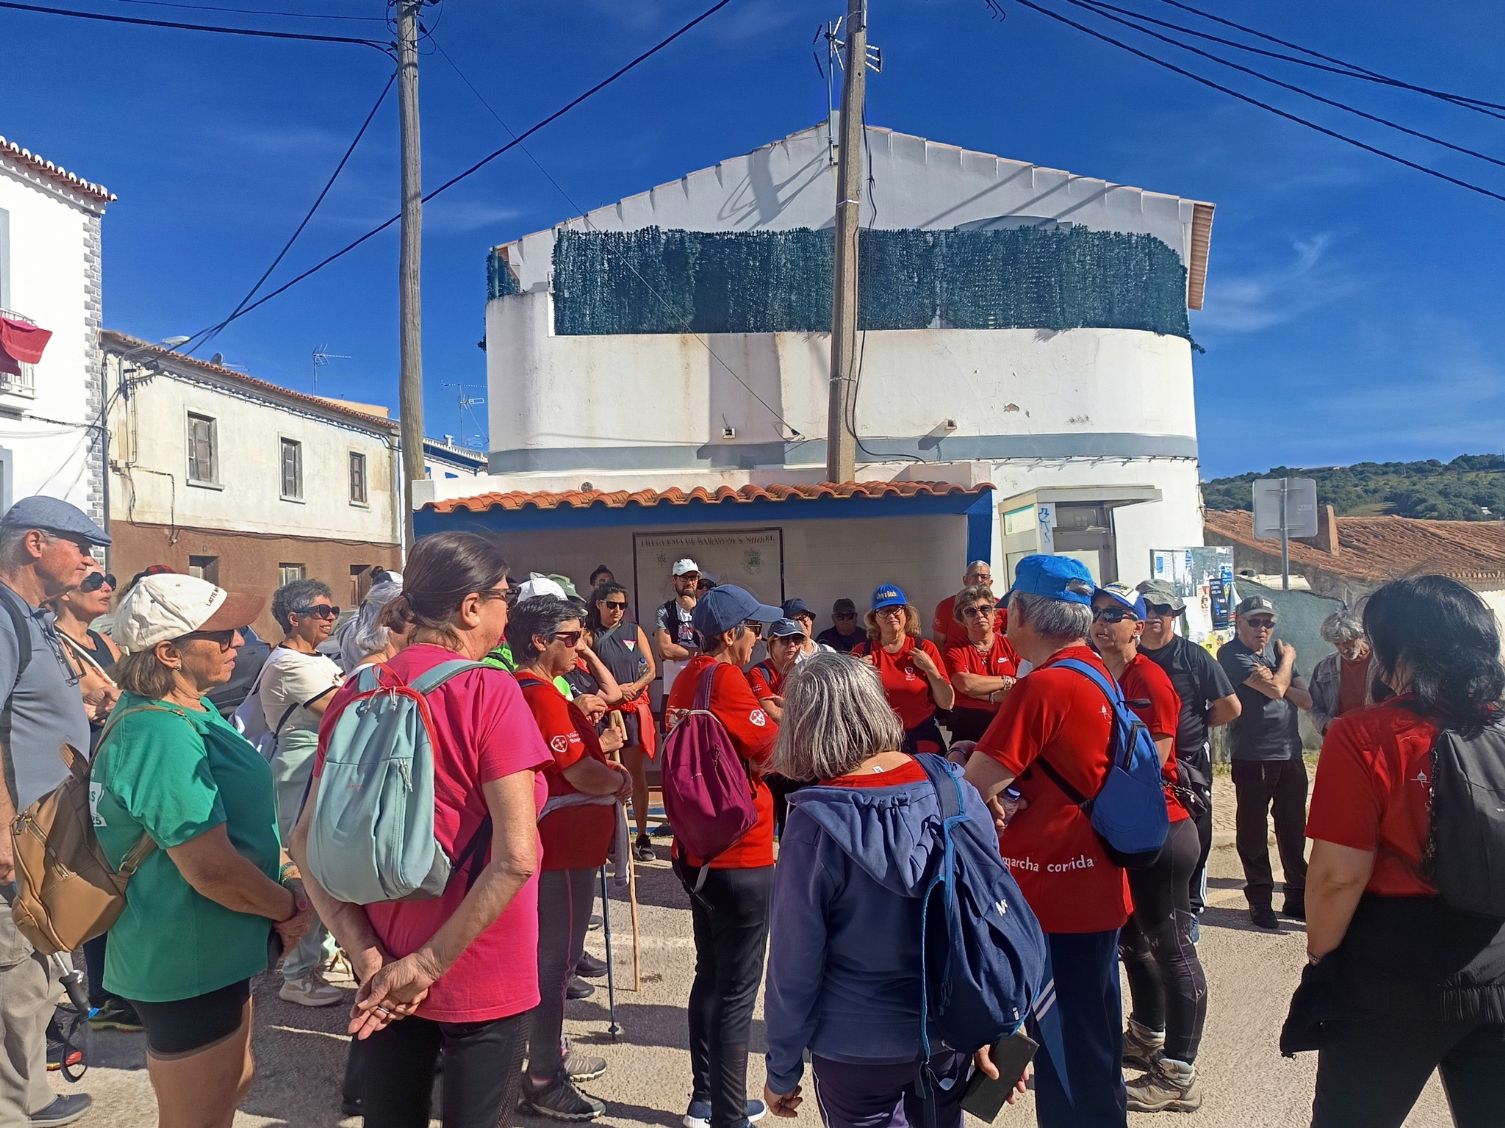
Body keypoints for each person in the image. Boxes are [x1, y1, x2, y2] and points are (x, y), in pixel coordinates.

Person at [291, 532, 550, 1128]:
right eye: (503, 597)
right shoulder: (489, 690)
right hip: (482, 964)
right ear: (470, 607)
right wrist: (428, 967)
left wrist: (365, 954)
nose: (507, 612)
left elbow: (304, 841)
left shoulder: (355, 689)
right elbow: (516, 857)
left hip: (382, 962)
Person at [763, 652, 1031, 1128]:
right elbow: (993, 914)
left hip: (855, 1048)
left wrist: (782, 1070)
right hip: (953, 1031)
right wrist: (1005, 1024)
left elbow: (794, 964)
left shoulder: (814, 824)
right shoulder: (956, 790)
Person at [93, 573, 313, 1128]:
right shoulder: (159, 732)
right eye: (223, 633)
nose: (240, 641)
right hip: (183, 951)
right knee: (197, 1114)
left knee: (230, 1082)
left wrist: (283, 874)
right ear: (169, 652)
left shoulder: (192, 708)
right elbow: (210, 868)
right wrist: (289, 910)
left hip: (216, 945)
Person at [1302, 575, 1505, 1128]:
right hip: (1496, 953)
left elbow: (1337, 877)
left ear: (1401, 653)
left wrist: (1320, 953)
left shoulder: (1364, 735)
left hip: (1391, 971)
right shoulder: (1499, 728)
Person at [964, 554, 1131, 1128]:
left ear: (1022, 612)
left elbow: (974, 786)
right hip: (1096, 876)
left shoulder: (1043, 686)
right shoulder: (1096, 671)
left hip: (1054, 888)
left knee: (1065, 1055)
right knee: (1093, 1042)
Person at [0, 497, 107, 1128]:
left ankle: (30, 1098)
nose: (92, 562)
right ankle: (12, 1111)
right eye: (81, 546)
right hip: (15, 836)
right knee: (13, 974)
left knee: (34, 973)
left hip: (41, 835)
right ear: (35, 544)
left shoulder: (32, 617)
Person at [664, 584, 782, 1128]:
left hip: (697, 848)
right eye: (754, 629)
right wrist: (774, 715)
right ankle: (730, 1116)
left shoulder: (687, 675)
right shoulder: (727, 677)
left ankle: (705, 1099)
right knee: (737, 989)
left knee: (709, 976)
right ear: (731, 635)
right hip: (740, 850)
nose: (759, 638)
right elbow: (771, 750)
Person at [510, 596, 631, 1122]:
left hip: (573, 847)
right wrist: (621, 779)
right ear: (539, 641)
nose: (580, 645)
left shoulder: (549, 693)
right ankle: (542, 1077)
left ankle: (550, 1050)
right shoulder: (537, 694)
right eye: (571, 637)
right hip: (559, 851)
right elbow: (579, 772)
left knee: (556, 959)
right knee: (554, 961)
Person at [1089, 585, 1207, 1114]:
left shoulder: (1149, 679)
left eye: (1116, 615)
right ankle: (1146, 1033)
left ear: (1139, 627)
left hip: (1162, 828)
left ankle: (1179, 1073)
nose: (1103, 622)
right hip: (1131, 829)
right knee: (1132, 938)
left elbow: (1153, 757)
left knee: (1174, 946)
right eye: (1097, 614)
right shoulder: (1105, 674)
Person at [51, 564, 142, 1036]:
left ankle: (122, 987)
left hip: (110, 762)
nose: (106, 586)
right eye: (91, 582)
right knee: (95, 875)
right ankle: (105, 996)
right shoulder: (53, 643)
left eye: (108, 579)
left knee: (121, 873)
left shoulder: (104, 643)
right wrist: (87, 707)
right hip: (79, 771)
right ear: (65, 593)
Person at [257, 579, 346, 1007]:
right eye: (322, 611)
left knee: (327, 866)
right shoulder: (288, 663)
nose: (331, 617)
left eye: (333, 611)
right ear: (295, 618)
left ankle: (320, 957)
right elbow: (340, 710)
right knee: (305, 866)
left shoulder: (318, 658)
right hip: (301, 767)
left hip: (323, 764)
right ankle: (297, 973)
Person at [1135, 579, 1239, 927]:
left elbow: (1230, 706)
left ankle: (1191, 907)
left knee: (1196, 833)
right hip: (1140, 761)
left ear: (1174, 615)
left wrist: (1195, 726)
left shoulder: (1193, 656)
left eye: (1161, 610)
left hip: (1187, 761)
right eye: (1147, 609)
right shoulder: (1127, 656)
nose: (1153, 616)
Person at [1218, 595, 1312, 930]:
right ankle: (1260, 900)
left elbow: (1305, 699)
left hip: (1290, 754)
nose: (1262, 629)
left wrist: (1279, 678)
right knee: (1253, 832)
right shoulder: (1232, 654)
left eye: (1268, 623)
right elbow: (1274, 689)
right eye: (1255, 621)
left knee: (1293, 830)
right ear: (1239, 621)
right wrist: (1286, 663)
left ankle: (1297, 895)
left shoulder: (1272, 656)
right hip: (1252, 755)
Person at [586, 582, 658, 863]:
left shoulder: (634, 631)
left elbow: (651, 669)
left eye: (622, 605)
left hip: (633, 709)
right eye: (611, 604)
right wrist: (614, 692)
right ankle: (613, 834)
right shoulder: (590, 636)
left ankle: (641, 835)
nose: (617, 610)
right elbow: (584, 671)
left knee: (636, 774)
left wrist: (633, 687)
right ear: (599, 605)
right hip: (607, 712)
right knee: (607, 771)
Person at [853, 585, 954, 757]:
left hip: (922, 737)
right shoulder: (862, 652)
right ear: (874, 618)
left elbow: (947, 703)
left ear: (906, 614)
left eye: (896, 609)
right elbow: (848, 704)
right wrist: (856, 675)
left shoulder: (925, 648)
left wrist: (930, 669)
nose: (891, 615)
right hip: (881, 740)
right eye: (883, 611)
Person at [941, 583, 1020, 744]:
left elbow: (1023, 685)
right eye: (970, 611)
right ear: (962, 619)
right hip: (968, 724)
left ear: (994, 613)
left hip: (1007, 722)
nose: (979, 615)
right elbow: (966, 684)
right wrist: (1007, 681)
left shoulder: (1012, 645)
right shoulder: (954, 648)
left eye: (985, 609)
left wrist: (987, 695)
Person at [1308, 609, 1374, 735]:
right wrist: (1327, 723)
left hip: (1375, 737)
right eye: (1337, 644)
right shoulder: (1325, 668)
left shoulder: (1381, 663)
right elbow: (1311, 705)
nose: (1343, 649)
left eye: (1347, 642)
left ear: (1360, 635)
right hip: (1342, 738)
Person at [746, 619, 806, 724]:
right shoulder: (758, 673)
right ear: (771, 643)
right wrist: (800, 713)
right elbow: (773, 713)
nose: (792, 644)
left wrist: (784, 704)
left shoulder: (805, 672)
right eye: (785, 639)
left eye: (797, 639)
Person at [931, 561, 1000, 648]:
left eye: (984, 577)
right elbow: (939, 642)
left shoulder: (1000, 606)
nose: (979, 580)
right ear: (965, 580)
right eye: (974, 576)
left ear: (990, 582)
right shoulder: (946, 606)